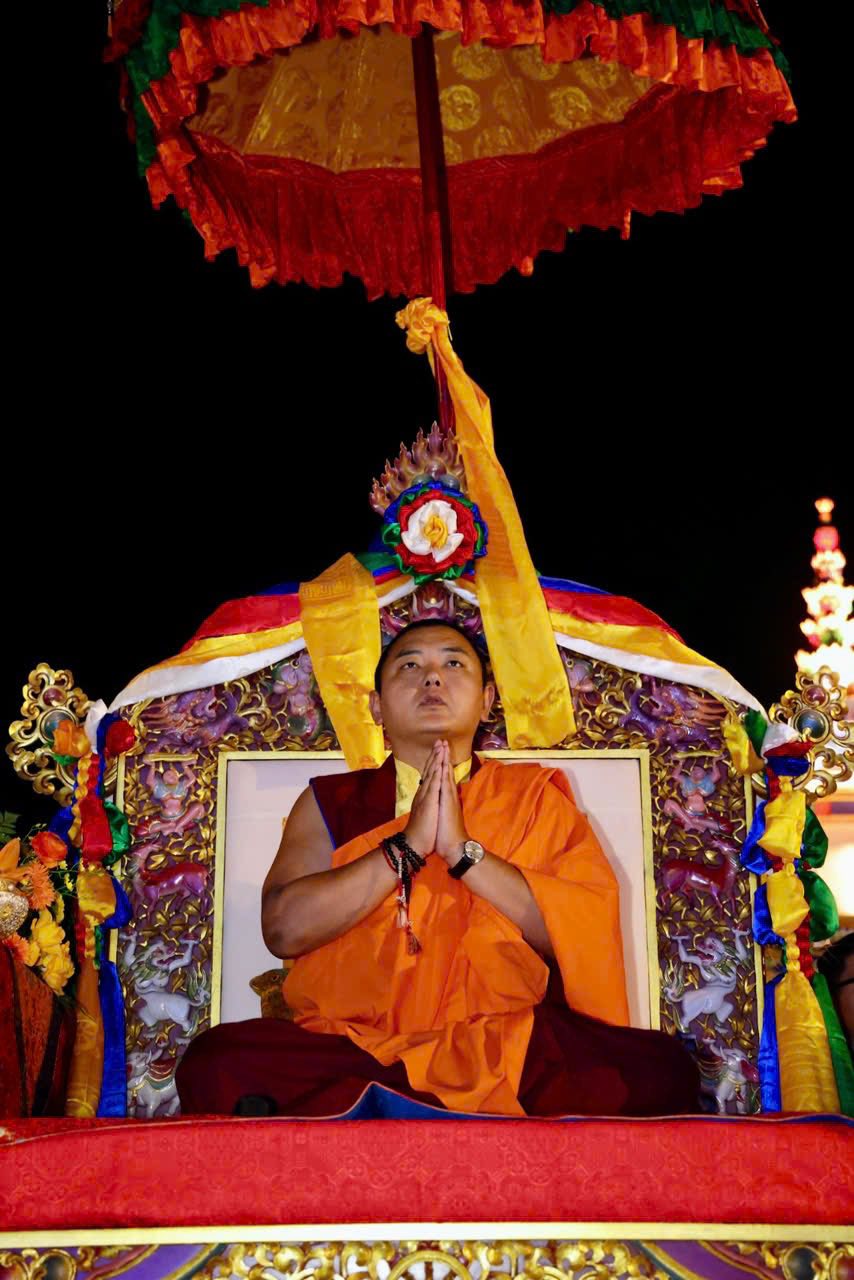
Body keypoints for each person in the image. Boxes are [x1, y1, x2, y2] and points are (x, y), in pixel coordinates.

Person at [177, 620, 700, 1116]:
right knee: (216, 1061)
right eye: (409, 665)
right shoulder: (331, 802)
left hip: (503, 1045)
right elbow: (284, 928)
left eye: (454, 664)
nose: (432, 678)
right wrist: (404, 849)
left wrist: (461, 853)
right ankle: (442, 1107)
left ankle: (382, 1109)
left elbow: (575, 937)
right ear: (377, 706)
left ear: (487, 700)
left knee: (661, 1070)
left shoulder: (534, 800)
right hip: (358, 1045)